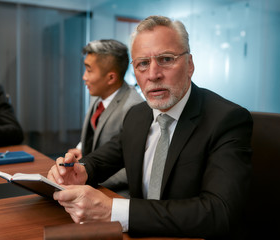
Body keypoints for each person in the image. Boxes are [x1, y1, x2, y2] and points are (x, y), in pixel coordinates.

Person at [47, 15, 253, 240]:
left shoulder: (227, 119)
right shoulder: (138, 115)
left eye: (166, 59)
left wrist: (114, 211)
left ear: (190, 64)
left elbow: (219, 212)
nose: (153, 75)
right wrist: (81, 170)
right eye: (143, 63)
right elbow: (104, 158)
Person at [67, 39, 143, 194]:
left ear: (111, 78)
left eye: (89, 70)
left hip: (114, 194)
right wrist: (81, 149)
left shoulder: (134, 108)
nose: (84, 77)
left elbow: (132, 170)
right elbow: (97, 128)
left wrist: (87, 177)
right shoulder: (98, 95)